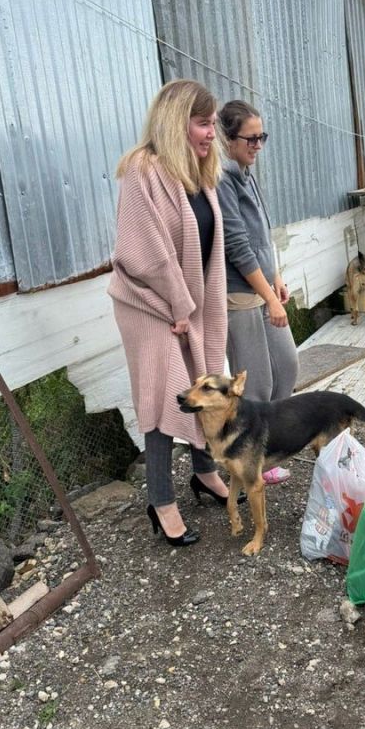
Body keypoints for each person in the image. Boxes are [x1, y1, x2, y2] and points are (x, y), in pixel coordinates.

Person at [109, 79, 240, 547]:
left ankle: (204, 474)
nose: (212, 134)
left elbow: (204, 250)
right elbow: (144, 254)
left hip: (185, 304)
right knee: (163, 399)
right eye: (203, 123)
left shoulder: (197, 177)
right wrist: (177, 306)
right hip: (147, 304)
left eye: (212, 124)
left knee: (202, 380)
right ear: (175, 121)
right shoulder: (141, 169)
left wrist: (191, 308)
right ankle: (160, 500)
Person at [217, 100, 299, 484]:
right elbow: (237, 246)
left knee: (287, 367)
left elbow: (263, 236)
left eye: (261, 136)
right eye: (251, 138)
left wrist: (277, 276)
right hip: (240, 295)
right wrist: (268, 297)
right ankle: (249, 460)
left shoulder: (248, 173)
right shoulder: (221, 180)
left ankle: (267, 449)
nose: (258, 145)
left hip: (264, 288)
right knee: (256, 386)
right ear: (228, 138)